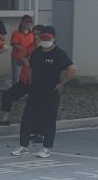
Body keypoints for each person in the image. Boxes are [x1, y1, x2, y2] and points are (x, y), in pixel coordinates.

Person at [11, 26, 75, 158]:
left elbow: (72, 69)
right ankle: (23, 146)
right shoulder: (36, 52)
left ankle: (46, 147)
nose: (44, 40)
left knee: (49, 119)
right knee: (27, 118)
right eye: (42, 38)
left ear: (53, 38)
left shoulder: (58, 53)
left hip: (51, 91)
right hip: (35, 90)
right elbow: (31, 67)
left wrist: (62, 84)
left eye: (47, 38)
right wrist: (31, 81)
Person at [0, 25, 42, 125]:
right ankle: (5, 119)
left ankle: (37, 124)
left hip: (37, 82)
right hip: (25, 80)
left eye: (38, 34)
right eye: (34, 34)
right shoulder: (29, 47)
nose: (36, 37)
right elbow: (19, 61)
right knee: (8, 95)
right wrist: (24, 60)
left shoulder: (46, 49)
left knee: (34, 103)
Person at [10, 15, 36, 93]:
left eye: (29, 22)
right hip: (17, 58)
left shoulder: (32, 33)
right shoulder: (16, 32)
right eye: (26, 22)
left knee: (27, 76)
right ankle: (15, 93)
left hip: (28, 58)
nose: (28, 24)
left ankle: (25, 92)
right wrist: (25, 49)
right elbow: (14, 44)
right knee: (16, 77)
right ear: (22, 22)